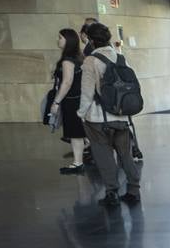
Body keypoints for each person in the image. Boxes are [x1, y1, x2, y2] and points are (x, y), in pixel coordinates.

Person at [78, 22, 142, 208]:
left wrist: (81, 113)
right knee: (125, 154)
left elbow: (87, 92)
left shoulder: (91, 61)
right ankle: (133, 190)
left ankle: (112, 192)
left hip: (99, 119)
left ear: (90, 40)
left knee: (103, 155)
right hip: (122, 116)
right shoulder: (120, 57)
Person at [51, 29, 88, 175]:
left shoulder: (67, 60)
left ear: (68, 40)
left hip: (72, 101)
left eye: (60, 37)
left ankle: (78, 163)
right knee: (78, 133)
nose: (58, 40)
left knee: (75, 133)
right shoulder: (78, 57)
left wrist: (56, 102)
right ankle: (78, 162)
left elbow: (67, 82)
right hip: (79, 99)